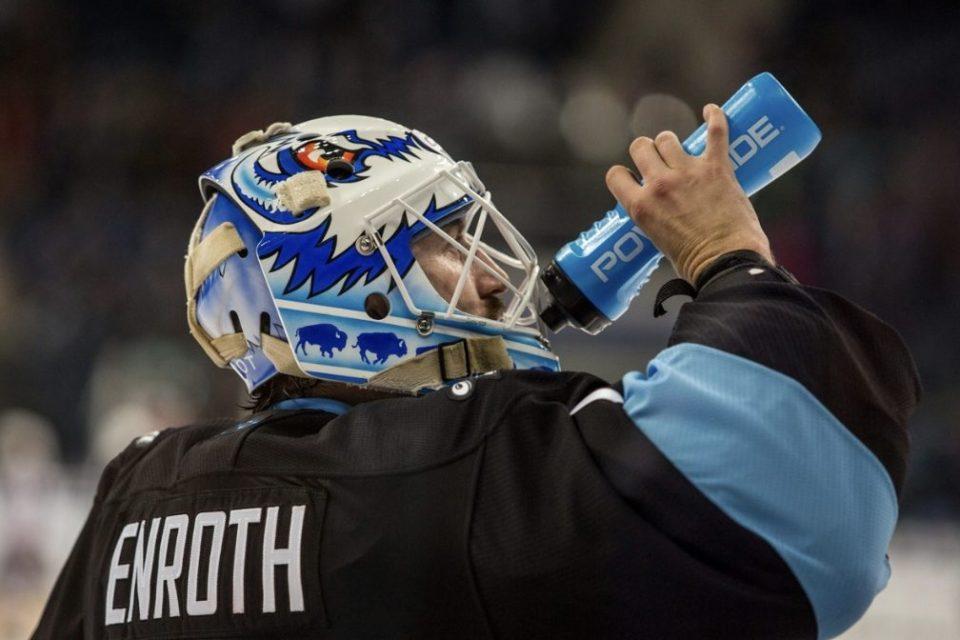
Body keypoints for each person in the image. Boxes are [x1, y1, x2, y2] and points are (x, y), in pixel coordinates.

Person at [32, 106, 920, 640]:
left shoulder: (134, 498)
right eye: (445, 241)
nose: (492, 273)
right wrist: (728, 257)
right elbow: (809, 511)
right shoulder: (459, 462)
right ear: (341, 282)